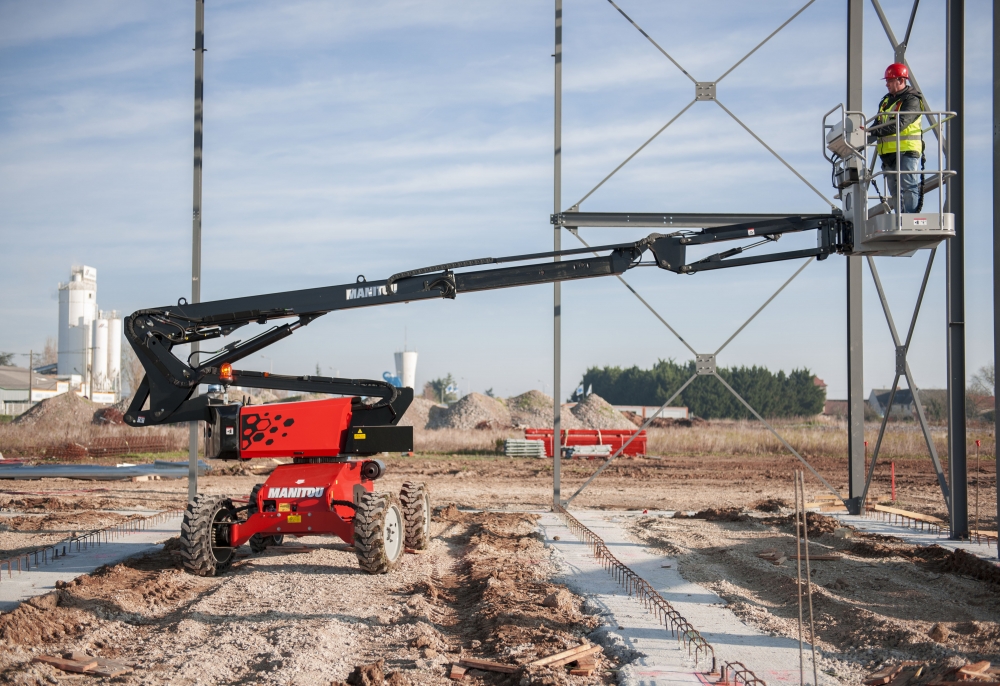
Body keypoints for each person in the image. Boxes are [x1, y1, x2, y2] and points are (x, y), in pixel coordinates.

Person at [867, 63, 925, 213]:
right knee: (895, 192)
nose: (886, 84)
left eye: (890, 80)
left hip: (906, 150)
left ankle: (910, 219)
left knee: (908, 186)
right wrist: (865, 133)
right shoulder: (885, 101)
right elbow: (877, 124)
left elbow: (901, 124)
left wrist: (874, 132)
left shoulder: (912, 100)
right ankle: (901, 218)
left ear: (901, 80)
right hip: (887, 154)